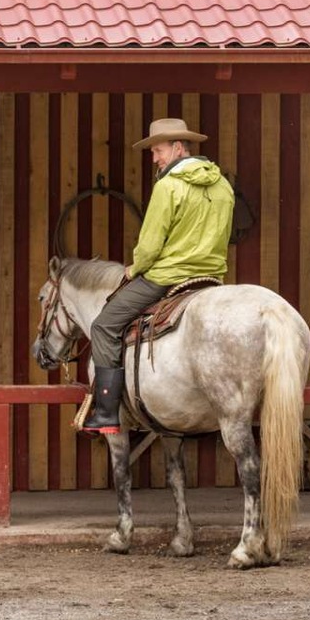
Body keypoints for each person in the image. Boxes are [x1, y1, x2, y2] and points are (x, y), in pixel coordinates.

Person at [81, 118, 235, 436]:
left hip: (169, 276)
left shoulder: (168, 186)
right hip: (211, 277)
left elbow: (150, 245)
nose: (155, 159)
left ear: (179, 147)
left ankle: (107, 413)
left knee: (103, 325)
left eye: (159, 150)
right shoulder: (223, 186)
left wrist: (134, 268)